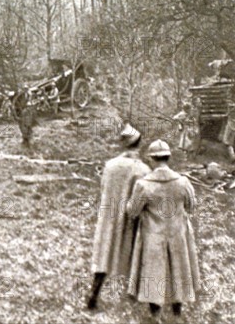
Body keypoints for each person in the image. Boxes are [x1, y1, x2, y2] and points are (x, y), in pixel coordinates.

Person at [126, 140, 200, 319]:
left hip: (153, 235)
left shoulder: (143, 185)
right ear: (168, 157)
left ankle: (155, 316)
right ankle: (177, 314)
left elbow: (132, 211)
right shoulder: (183, 182)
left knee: (153, 272)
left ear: (152, 159)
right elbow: (192, 206)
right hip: (178, 234)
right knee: (178, 269)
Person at [86, 124, 151, 310]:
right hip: (129, 219)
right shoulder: (143, 170)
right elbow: (142, 199)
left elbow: (103, 188)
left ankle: (94, 293)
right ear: (139, 144)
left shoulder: (110, 165)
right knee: (134, 253)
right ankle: (136, 294)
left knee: (104, 255)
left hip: (108, 215)